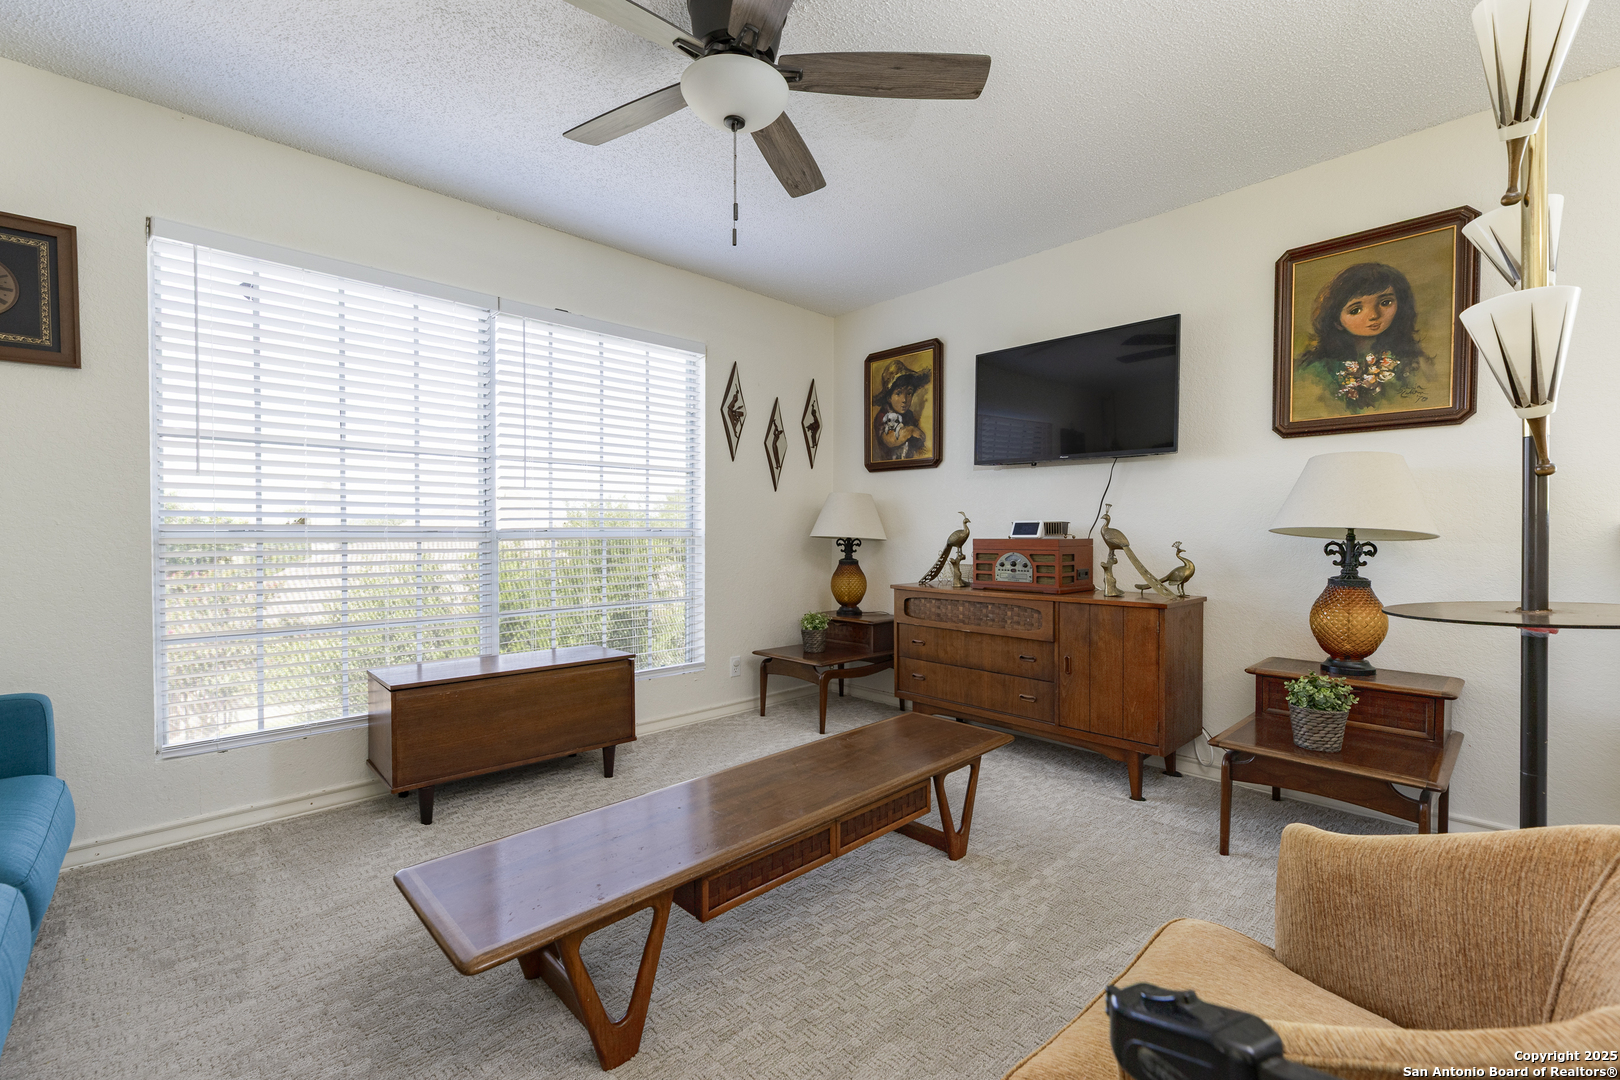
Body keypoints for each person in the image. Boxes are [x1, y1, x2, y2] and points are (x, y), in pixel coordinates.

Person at [1294, 262, 1429, 413]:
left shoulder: (1413, 361)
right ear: (1336, 321)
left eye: (1385, 303)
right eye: (1356, 310)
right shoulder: (1317, 370)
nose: (1374, 315)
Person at [870, 358, 931, 459]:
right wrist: (910, 431)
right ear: (889, 398)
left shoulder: (909, 415)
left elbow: (920, 438)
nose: (904, 400)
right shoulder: (883, 415)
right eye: (898, 393)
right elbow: (890, 440)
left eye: (909, 393)